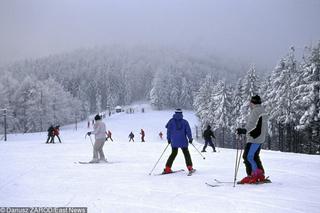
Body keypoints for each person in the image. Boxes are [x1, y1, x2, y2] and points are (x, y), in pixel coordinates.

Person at [236, 95, 268, 184]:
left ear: (252, 102)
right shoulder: (263, 110)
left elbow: (252, 124)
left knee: (247, 157)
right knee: (255, 156)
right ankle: (260, 175)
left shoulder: (255, 111)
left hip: (254, 138)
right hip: (260, 138)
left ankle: (252, 175)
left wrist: (244, 130)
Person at [163, 109, 195, 174]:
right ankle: (189, 167)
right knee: (186, 154)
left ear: (175, 113)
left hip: (174, 141)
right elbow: (188, 131)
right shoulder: (185, 122)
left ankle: (167, 168)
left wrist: (169, 139)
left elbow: (168, 131)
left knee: (173, 154)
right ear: (181, 113)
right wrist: (190, 139)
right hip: (183, 141)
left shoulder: (171, 121)